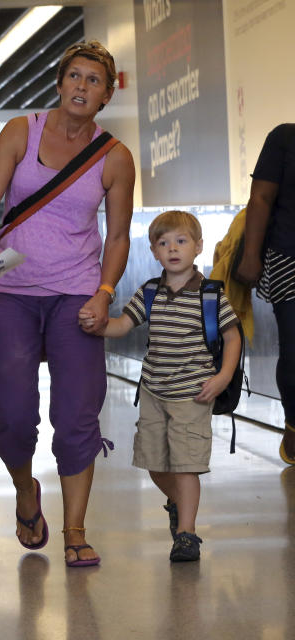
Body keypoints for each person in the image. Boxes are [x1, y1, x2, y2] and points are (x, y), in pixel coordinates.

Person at [0, 40, 136, 566]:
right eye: (74, 77)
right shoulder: (22, 131)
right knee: (13, 412)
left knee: (77, 413)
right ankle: (25, 491)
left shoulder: (115, 158)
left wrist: (105, 293)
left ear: (107, 95)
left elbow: (118, 238)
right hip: (11, 293)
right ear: (60, 83)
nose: (82, 87)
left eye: (93, 80)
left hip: (75, 294)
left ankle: (76, 530)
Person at [90, 211, 241, 562]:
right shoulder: (150, 292)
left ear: (198, 247)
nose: (173, 249)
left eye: (181, 241)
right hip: (155, 392)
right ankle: (177, 503)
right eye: (164, 243)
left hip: (194, 393)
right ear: (155, 251)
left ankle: (186, 534)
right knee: (155, 463)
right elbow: (122, 325)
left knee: (186, 465)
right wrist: (97, 324)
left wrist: (222, 378)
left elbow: (232, 338)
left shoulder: (210, 295)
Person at [234, 124, 295, 465]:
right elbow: (261, 197)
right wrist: (251, 255)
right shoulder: (285, 138)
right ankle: (294, 424)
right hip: (290, 257)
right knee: (294, 350)